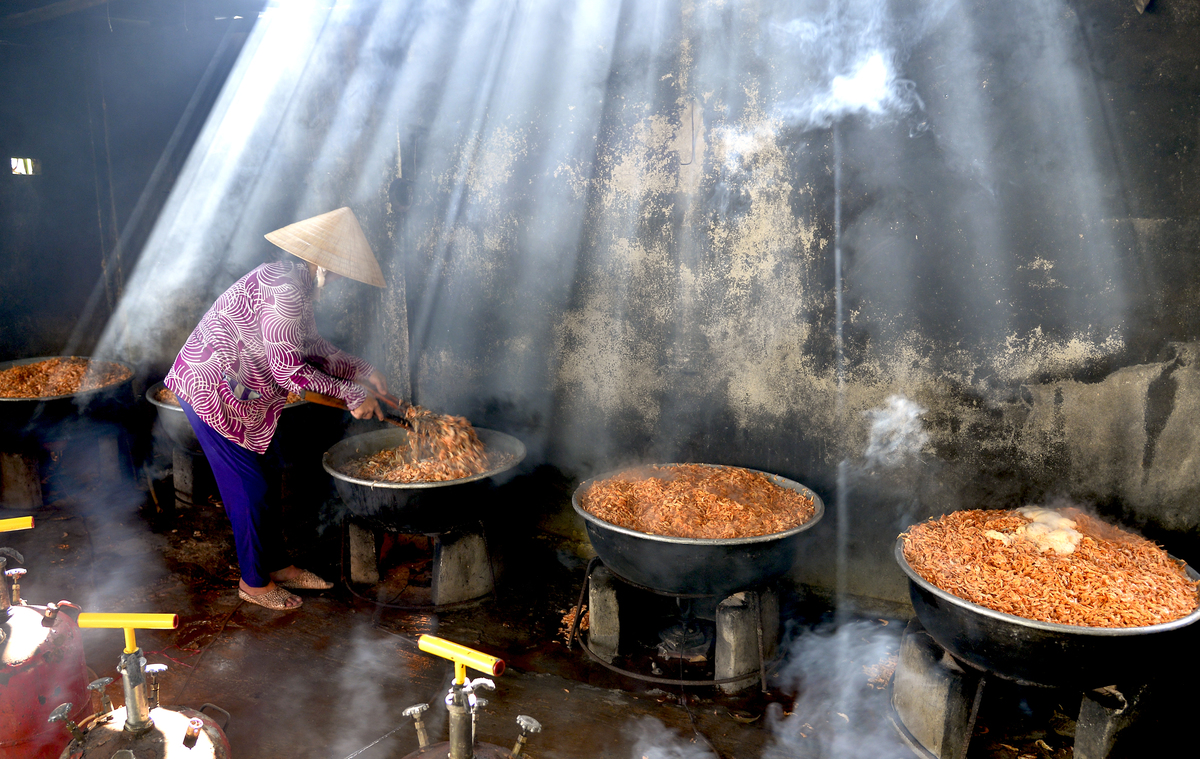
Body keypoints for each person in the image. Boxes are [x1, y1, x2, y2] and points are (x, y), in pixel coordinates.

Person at [165, 207, 387, 610]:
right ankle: (253, 583)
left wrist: (361, 369)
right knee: (249, 488)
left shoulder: (295, 282)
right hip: (210, 390)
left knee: (264, 478)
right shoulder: (285, 289)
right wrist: (353, 394)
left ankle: (278, 566)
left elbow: (310, 346)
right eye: (340, 272)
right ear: (323, 264)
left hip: (240, 396)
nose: (341, 281)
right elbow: (288, 369)